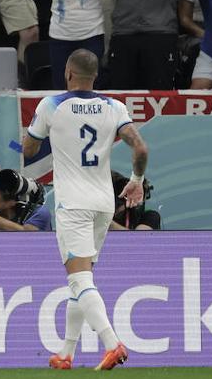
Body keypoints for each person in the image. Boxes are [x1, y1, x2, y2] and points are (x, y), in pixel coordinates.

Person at [21, 49, 148, 369]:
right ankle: (66, 353)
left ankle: (112, 343)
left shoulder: (51, 105)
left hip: (73, 204)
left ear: (67, 73)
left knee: (79, 280)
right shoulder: (114, 107)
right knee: (81, 279)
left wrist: (43, 135)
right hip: (104, 204)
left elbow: (29, 147)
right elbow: (140, 146)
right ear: (95, 76)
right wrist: (136, 180)